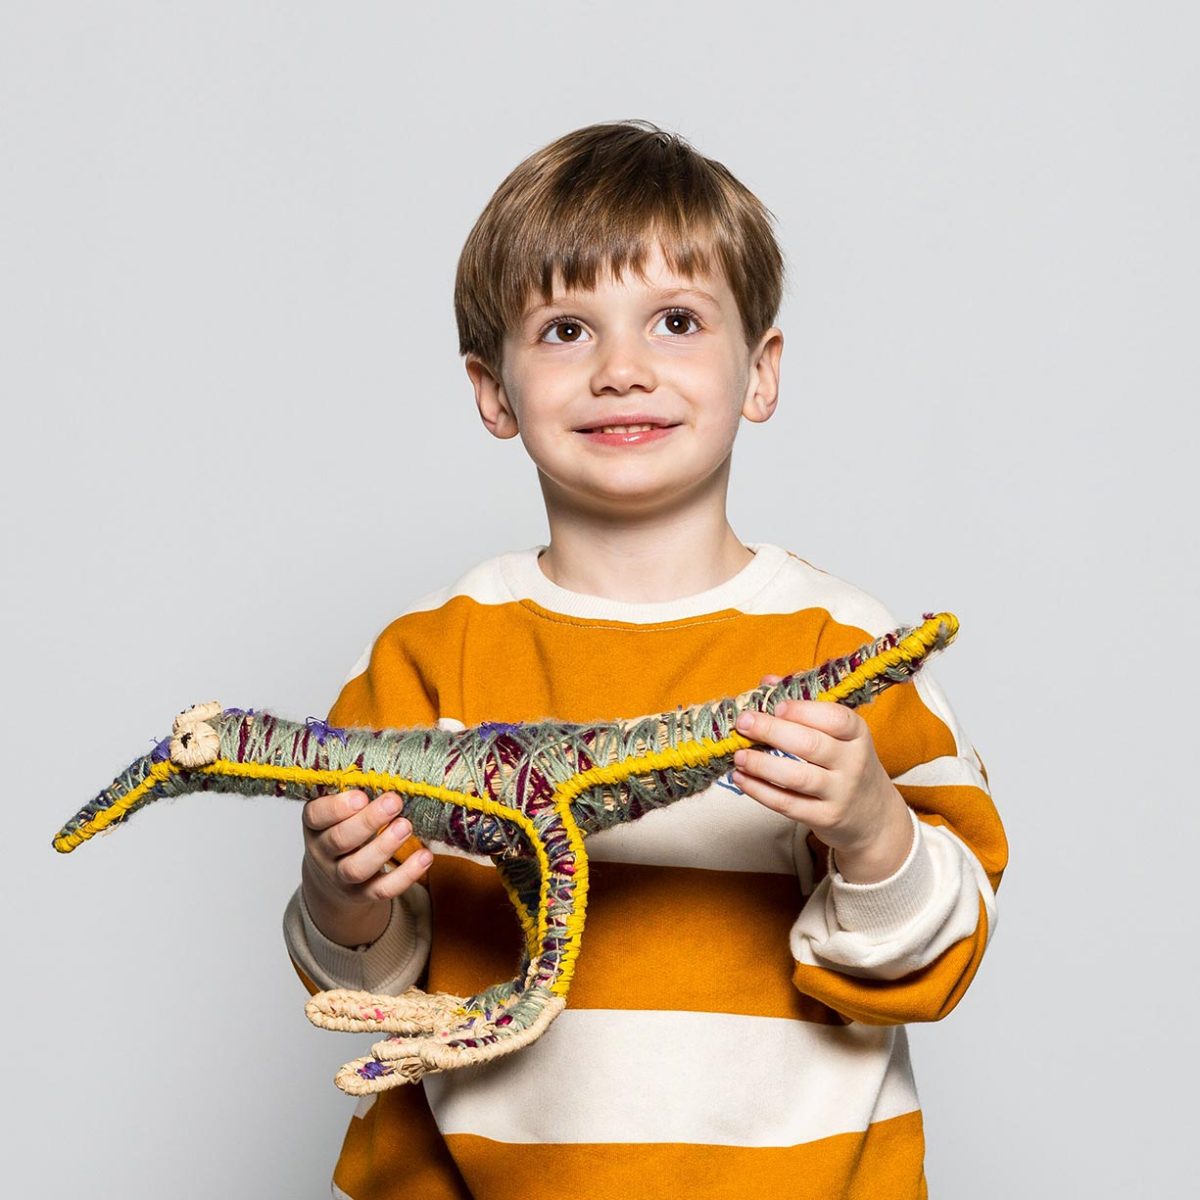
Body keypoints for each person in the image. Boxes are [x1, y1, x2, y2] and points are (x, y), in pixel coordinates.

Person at [283, 119, 1007, 1200]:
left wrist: (869, 830)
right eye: (567, 330)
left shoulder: (840, 651)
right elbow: (376, 978)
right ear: (494, 391)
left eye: (674, 320)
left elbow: (932, 957)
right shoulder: (428, 660)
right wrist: (340, 894)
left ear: (759, 371)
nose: (623, 369)